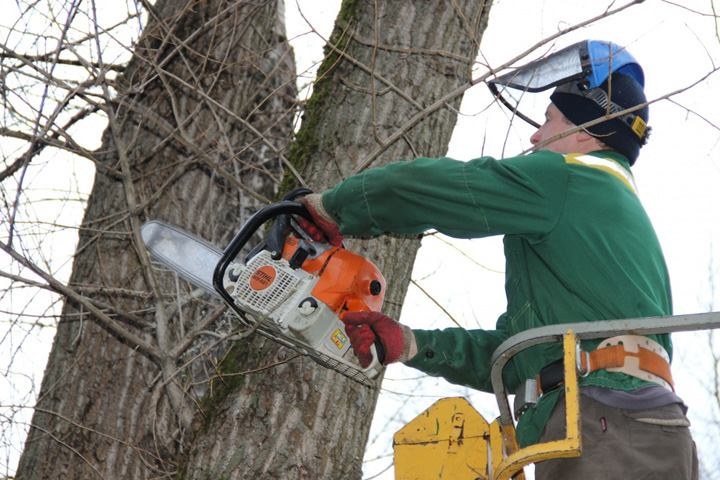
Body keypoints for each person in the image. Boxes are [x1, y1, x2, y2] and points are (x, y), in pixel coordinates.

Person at [300, 41, 698, 479]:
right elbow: (516, 353)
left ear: (585, 132)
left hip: (606, 422)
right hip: (633, 426)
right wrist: (410, 343)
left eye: (548, 121)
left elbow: (438, 187)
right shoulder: (603, 217)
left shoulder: (568, 178)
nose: (534, 136)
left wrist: (331, 208)